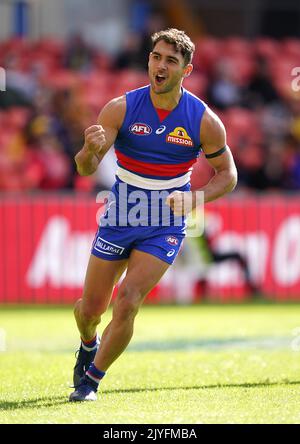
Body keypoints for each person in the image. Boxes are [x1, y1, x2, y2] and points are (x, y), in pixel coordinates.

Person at [69, 28, 238, 402]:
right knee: (89, 310)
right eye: (156, 57)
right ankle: (87, 343)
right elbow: (85, 168)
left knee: (128, 300)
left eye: (170, 61)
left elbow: (229, 175)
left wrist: (196, 198)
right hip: (121, 214)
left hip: (165, 222)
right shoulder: (121, 108)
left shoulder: (204, 120)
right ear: (149, 60)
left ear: (186, 70)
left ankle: (90, 382)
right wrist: (86, 151)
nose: (160, 65)